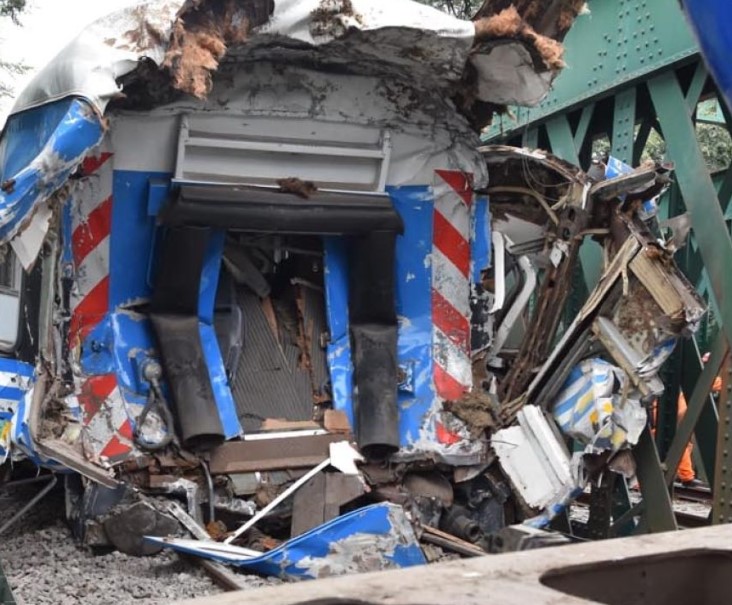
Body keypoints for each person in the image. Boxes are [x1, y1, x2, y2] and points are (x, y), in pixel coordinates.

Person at [676, 352, 722, 487]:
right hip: (678, 414)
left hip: (678, 413)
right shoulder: (701, 376)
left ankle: (685, 476)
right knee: (681, 443)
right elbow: (719, 384)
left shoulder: (694, 373)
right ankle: (686, 477)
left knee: (683, 444)